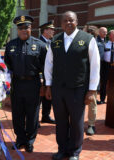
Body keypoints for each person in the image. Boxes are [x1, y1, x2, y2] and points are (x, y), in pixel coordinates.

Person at [44, 11, 100, 160]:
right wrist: (48, 86)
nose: (68, 23)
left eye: (71, 20)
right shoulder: (55, 41)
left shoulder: (88, 39)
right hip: (58, 88)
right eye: (65, 21)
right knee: (61, 121)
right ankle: (62, 149)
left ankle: (75, 151)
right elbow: (48, 65)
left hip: (78, 88)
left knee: (76, 121)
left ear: (77, 21)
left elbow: (95, 66)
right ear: (61, 24)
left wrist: (92, 90)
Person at [4, 15, 47, 153]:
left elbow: (46, 67)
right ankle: (20, 139)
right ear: (17, 29)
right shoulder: (11, 45)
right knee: (17, 113)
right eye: (21, 28)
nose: (24, 30)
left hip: (33, 84)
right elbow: (6, 65)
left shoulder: (40, 45)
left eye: (26, 27)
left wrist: (45, 85)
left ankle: (30, 141)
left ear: (31, 28)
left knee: (32, 114)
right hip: (17, 83)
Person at [83, 25, 100, 135]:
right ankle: (76, 124)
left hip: (92, 79)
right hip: (80, 79)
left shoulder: (97, 44)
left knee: (92, 103)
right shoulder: (80, 43)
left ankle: (91, 124)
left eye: (89, 33)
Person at [38, 20, 55, 124]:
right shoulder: (38, 43)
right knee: (39, 98)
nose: (53, 31)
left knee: (48, 97)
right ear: (45, 31)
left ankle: (46, 116)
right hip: (42, 76)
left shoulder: (51, 42)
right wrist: (40, 75)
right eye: (51, 29)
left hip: (50, 75)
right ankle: (35, 119)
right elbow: (37, 61)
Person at [97, 27, 109, 104]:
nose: (105, 33)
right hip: (97, 64)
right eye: (104, 32)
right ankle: (94, 99)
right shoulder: (95, 40)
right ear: (99, 32)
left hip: (104, 64)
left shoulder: (106, 42)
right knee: (96, 81)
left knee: (103, 82)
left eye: (106, 32)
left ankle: (102, 99)